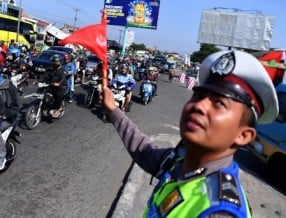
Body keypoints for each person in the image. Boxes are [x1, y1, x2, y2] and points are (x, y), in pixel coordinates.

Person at [101, 50, 278, 217]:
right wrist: (114, 110)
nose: (199, 106)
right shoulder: (179, 162)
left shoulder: (219, 211)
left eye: (219, 103)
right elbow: (143, 149)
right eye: (198, 96)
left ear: (243, 136)